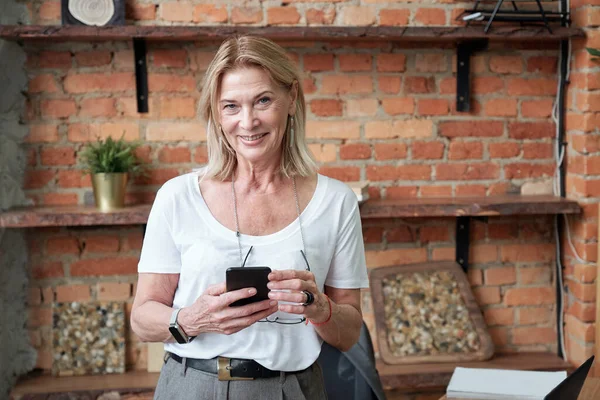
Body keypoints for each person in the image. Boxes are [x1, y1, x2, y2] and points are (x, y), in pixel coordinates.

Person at [130, 35, 369, 400]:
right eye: (230, 106)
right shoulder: (177, 197)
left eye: (263, 100)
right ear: (216, 112)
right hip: (192, 385)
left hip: (295, 388)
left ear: (291, 99)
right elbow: (142, 319)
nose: (247, 122)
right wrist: (193, 319)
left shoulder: (336, 202)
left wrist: (321, 308)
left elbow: (350, 332)